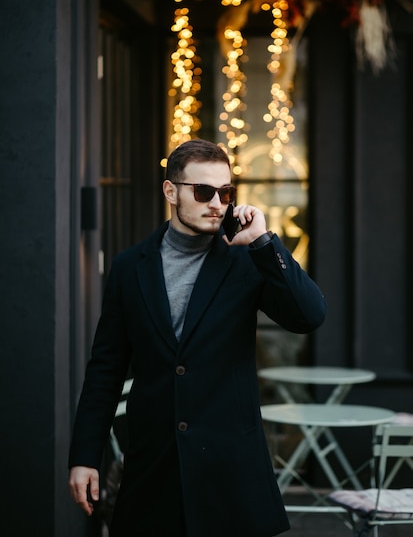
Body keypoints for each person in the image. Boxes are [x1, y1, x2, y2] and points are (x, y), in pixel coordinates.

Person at [69, 139, 326, 537]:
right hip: (153, 470)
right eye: (203, 191)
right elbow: (105, 368)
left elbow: (310, 316)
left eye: (225, 193)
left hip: (230, 471)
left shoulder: (246, 258)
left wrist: (263, 243)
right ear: (170, 191)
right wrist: (85, 455)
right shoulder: (128, 268)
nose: (217, 204)